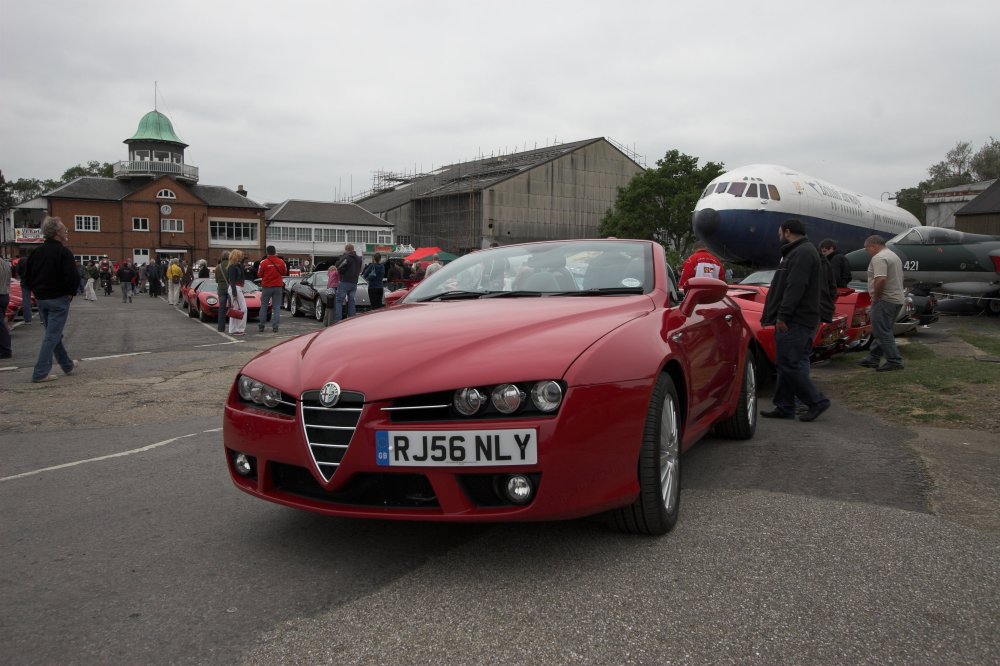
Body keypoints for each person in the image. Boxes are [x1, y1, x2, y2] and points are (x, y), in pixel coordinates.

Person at [760, 219, 831, 422]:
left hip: (796, 319)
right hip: (797, 318)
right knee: (785, 363)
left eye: (779, 231)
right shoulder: (796, 252)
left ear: (788, 232)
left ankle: (816, 401)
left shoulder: (802, 253)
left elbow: (795, 287)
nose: (778, 235)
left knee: (789, 364)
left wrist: (783, 315)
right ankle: (784, 406)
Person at [22, 217, 78, 383]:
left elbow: (26, 277)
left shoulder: (36, 252)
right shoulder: (63, 252)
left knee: (52, 334)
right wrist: (70, 293)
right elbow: (72, 277)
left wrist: (36, 291)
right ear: (56, 233)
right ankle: (40, 372)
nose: (66, 230)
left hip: (42, 299)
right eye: (63, 228)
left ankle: (66, 364)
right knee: (51, 336)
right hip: (58, 299)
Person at [858, 235, 906, 372]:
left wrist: (876, 297)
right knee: (884, 329)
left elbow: (880, 280)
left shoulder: (878, 258)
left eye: (867, 249)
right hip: (896, 298)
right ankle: (873, 358)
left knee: (881, 331)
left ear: (873, 246)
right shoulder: (893, 255)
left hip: (884, 300)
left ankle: (894, 361)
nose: (868, 252)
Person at [256, 245, 287, 333]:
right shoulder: (281, 262)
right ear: (275, 251)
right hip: (278, 286)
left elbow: (259, 274)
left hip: (267, 286)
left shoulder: (263, 262)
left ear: (267, 252)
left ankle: (262, 325)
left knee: (264, 306)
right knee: (276, 307)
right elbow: (284, 272)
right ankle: (275, 326)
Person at [334, 243, 362, 323]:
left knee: (339, 301)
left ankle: (338, 321)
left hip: (345, 281)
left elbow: (338, 266)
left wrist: (341, 271)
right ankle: (351, 320)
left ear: (346, 250)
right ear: (353, 249)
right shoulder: (359, 259)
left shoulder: (347, 257)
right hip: (354, 282)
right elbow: (359, 270)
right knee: (351, 301)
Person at [227, 250, 247, 336]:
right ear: (237, 256)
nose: (242, 256)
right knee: (243, 309)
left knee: (236, 309)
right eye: (240, 255)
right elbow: (232, 281)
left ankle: (234, 329)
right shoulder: (233, 267)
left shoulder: (236, 266)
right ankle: (238, 329)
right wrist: (234, 293)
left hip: (236, 288)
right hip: (235, 288)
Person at [214, 251, 230, 332]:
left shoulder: (218, 267)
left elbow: (216, 280)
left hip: (221, 288)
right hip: (230, 288)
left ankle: (221, 328)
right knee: (232, 308)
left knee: (222, 308)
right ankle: (232, 327)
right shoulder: (231, 265)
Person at [0, 255, 12, 359]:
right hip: (5, 294)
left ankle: (5, 350)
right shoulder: (5, 263)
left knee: (1, 325)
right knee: (2, 324)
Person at [324, 258, 341, 327]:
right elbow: (339, 273)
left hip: (328, 291)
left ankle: (326, 322)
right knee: (333, 308)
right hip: (334, 290)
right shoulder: (335, 272)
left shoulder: (330, 274)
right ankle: (331, 324)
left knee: (328, 307)